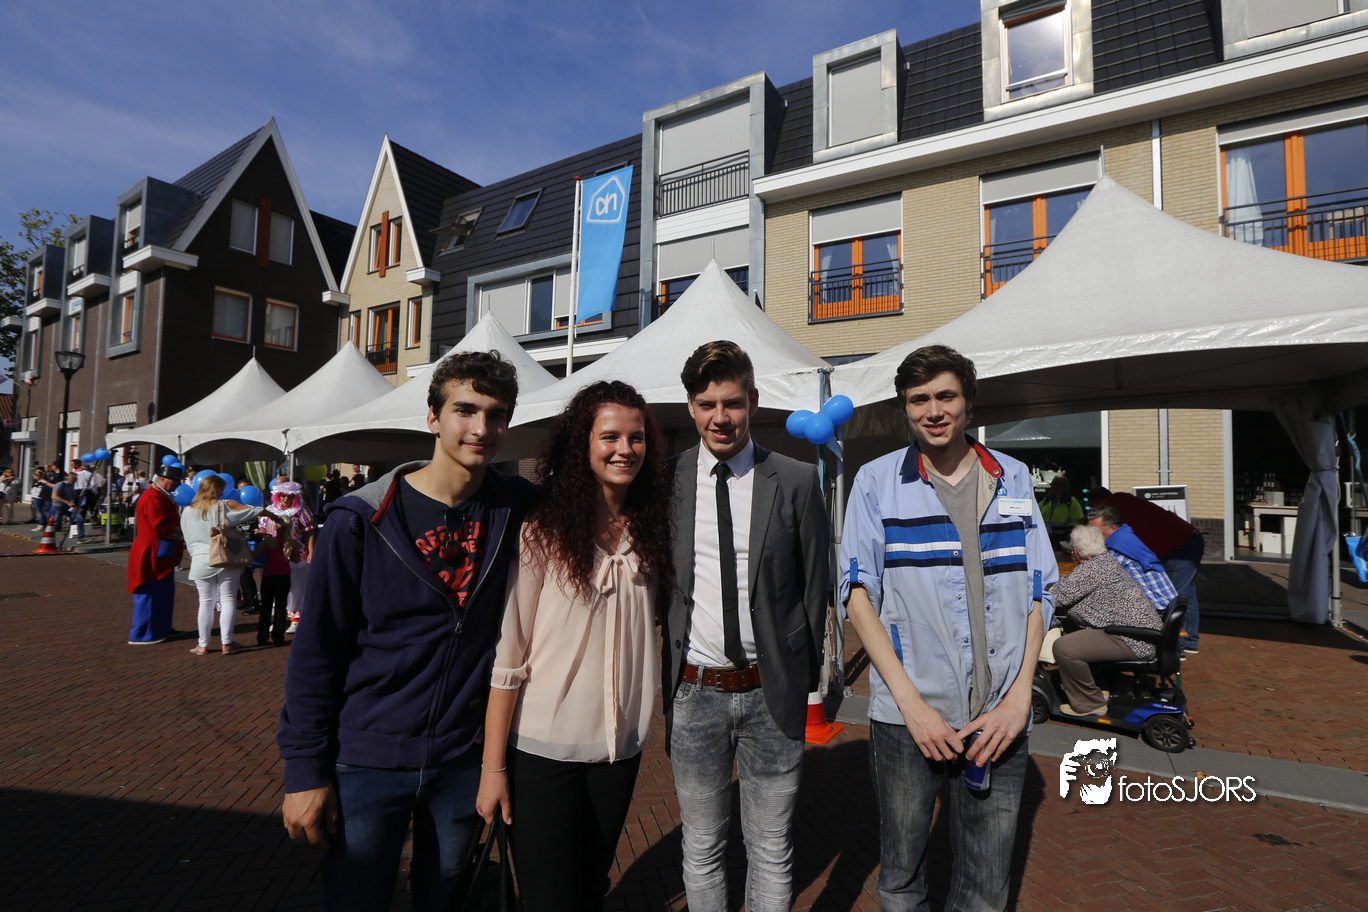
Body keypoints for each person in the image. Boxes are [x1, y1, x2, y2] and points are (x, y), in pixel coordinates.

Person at [277, 351, 535, 912]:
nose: (482, 428)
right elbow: (317, 653)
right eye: (465, 410)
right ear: (433, 418)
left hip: (462, 757)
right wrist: (304, 772)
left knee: (446, 902)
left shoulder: (515, 508)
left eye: (496, 415)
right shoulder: (360, 520)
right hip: (367, 756)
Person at [839, 344, 1056, 912]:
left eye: (945, 396)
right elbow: (856, 595)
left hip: (999, 716)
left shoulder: (1012, 477)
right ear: (904, 409)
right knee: (902, 878)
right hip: (909, 717)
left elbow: (1041, 591)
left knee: (986, 884)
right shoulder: (875, 481)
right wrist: (911, 707)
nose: (933, 411)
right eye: (919, 400)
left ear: (968, 402)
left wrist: (1019, 699)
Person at [477, 381, 671, 911]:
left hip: (619, 747)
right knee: (547, 897)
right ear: (582, 443)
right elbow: (509, 658)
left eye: (636, 438)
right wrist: (493, 769)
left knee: (589, 889)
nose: (624, 449)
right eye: (609, 436)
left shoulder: (653, 530)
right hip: (543, 749)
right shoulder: (542, 532)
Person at [661, 341, 829, 912]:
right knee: (702, 846)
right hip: (694, 692)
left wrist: (804, 680)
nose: (720, 417)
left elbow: (815, 587)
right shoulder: (666, 481)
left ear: (753, 402)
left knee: (772, 849)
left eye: (732, 403)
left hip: (770, 691)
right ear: (690, 407)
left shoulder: (798, 480)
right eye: (707, 404)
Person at [1049, 524, 1164, 716]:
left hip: (1132, 639)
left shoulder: (1092, 569)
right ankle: (1098, 688)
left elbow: (1058, 597)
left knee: (1064, 648)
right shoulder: (1105, 561)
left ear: (1075, 551)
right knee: (1073, 631)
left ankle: (1090, 703)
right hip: (1139, 634)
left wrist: (1048, 590)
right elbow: (1070, 588)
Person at [1087, 486, 1204, 654]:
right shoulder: (1124, 501)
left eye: (1094, 506)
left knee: (1176, 598)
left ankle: (1177, 649)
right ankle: (1191, 641)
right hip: (1188, 538)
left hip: (1179, 544)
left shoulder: (1115, 505)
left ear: (1099, 502)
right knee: (1186, 595)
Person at [181, 475, 281, 656]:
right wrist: (276, 518)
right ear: (214, 489)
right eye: (221, 489)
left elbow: (188, 539)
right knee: (228, 600)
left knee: (205, 602)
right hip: (224, 556)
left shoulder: (187, 511)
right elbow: (255, 510)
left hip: (199, 560)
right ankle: (226, 643)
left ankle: (202, 645)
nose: (222, 493)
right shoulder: (224, 505)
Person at [127, 464, 187, 645]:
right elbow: (159, 526)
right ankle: (144, 633)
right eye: (174, 480)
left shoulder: (160, 495)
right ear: (162, 478)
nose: (177, 484)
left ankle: (162, 627)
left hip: (161, 551)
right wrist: (184, 533)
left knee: (163, 593)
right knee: (150, 593)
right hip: (152, 552)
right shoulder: (153, 496)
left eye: (178, 480)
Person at [1086, 505, 1178, 615]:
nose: (1091, 535)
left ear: (1113, 528)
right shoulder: (1125, 536)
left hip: (1158, 610)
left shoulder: (1118, 547)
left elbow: (1094, 577)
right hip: (1166, 606)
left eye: (1095, 531)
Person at [271, 481, 316, 634]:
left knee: (296, 588)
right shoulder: (270, 511)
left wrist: (311, 551)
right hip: (276, 555)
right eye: (282, 496)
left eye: (289, 496)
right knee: (278, 588)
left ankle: (296, 620)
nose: (285, 499)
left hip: (298, 554)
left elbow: (310, 532)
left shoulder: (301, 511)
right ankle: (279, 621)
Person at [1038, 475, 1084, 543]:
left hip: (1062, 537)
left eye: (1055, 484)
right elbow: (1036, 512)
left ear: (1064, 487)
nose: (1052, 487)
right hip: (1046, 536)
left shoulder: (1070, 501)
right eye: (1052, 484)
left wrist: (1069, 536)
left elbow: (1077, 522)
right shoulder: (1047, 500)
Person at [51, 472, 85, 545]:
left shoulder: (71, 485)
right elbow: (54, 496)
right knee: (55, 523)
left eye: (76, 479)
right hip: (58, 507)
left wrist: (77, 497)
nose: (75, 481)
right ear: (67, 478)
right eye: (73, 479)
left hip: (68, 508)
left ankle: (81, 538)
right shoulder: (60, 484)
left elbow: (70, 494)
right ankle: (49, 537)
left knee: (80, 519)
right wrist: (67, 502)